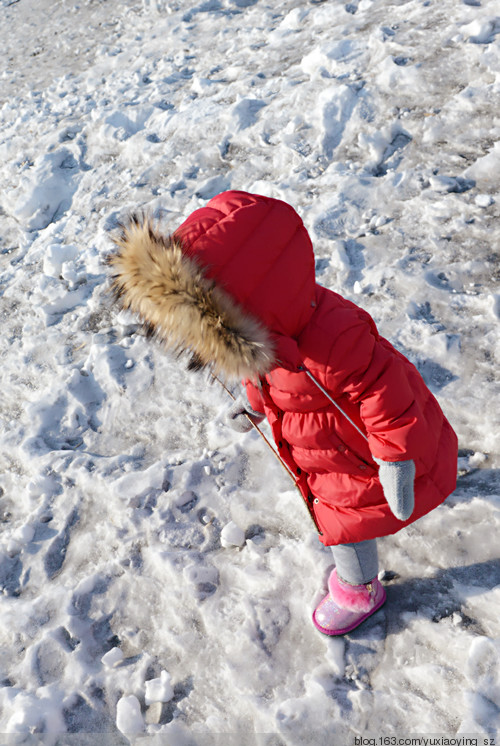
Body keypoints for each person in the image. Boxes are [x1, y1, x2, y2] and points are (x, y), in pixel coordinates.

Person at [107, 190, 458, 635]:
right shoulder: (272, 326)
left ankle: (359, 588)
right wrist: (256, 407)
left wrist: (394, 456)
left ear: (242, 307)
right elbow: (264, 374)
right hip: (320, 442)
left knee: (343, 522)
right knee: (341, 511)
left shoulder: (331, 336)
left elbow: (384, 388)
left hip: (352, 450)